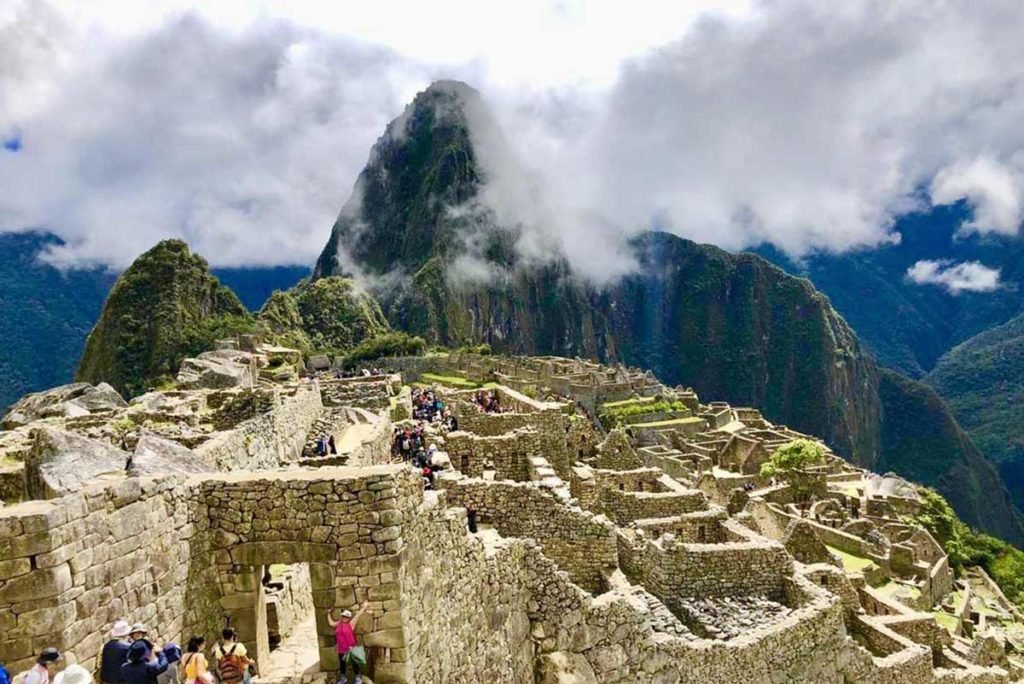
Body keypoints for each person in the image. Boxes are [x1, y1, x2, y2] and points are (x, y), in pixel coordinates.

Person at [327, 602, 370, 684]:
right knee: (342, 665)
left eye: (346, 617)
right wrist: (328, 613)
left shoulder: (351, 624)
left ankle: (358, 678)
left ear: (349, 618)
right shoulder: (339, 623)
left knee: (354, 664)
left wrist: (364, 607)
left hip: (350, 648)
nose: (344, 618)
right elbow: (331, 623)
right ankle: (343, 678)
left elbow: (358, 615)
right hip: (341, 649)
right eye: (343, 616)